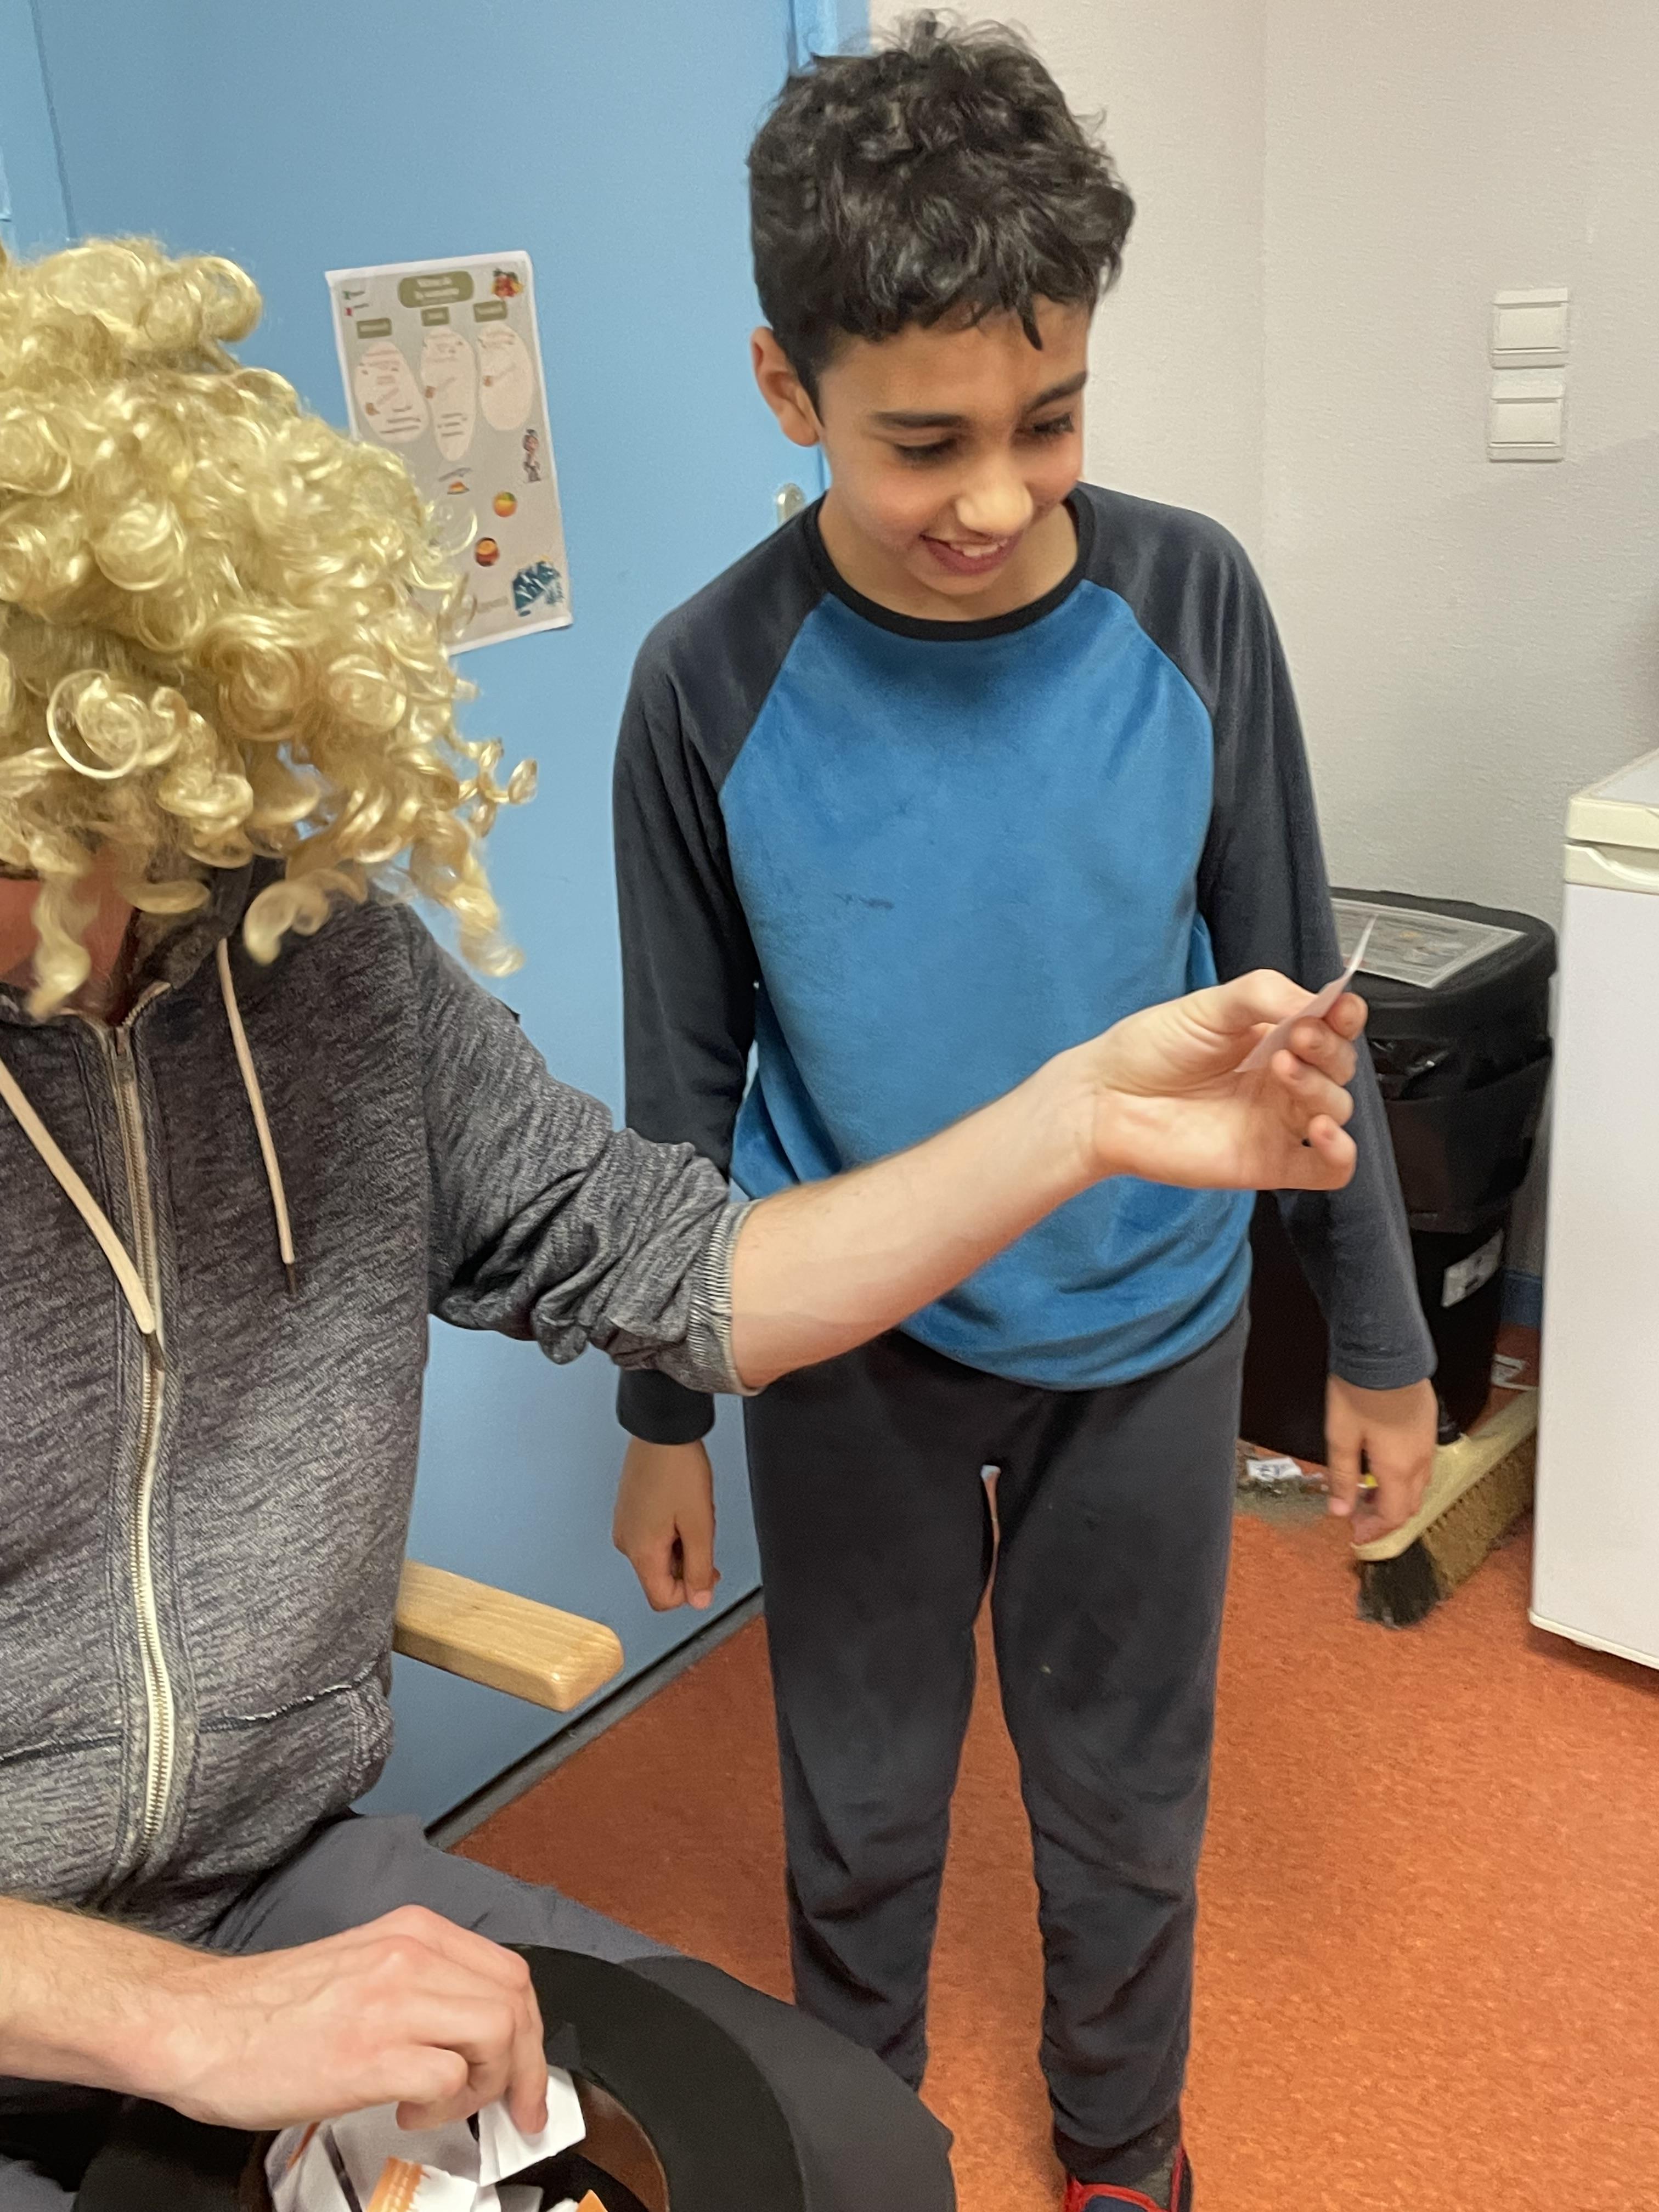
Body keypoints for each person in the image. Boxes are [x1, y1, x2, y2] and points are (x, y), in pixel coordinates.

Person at [0, 234, 1361, 2212]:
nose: (82, 915)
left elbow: (682, 1258)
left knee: (858, 2163)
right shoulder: (717, 673)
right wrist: (170, 2022)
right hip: (55, 1967)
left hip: (273, 1881)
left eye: (87, 826)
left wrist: (1081, 1119)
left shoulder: (319, 980)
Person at [608, 19, 1440, 2210]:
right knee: (864, 1806)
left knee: (1124, 1800)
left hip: (1145, 1335)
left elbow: (1302, 1006)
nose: (995, 495)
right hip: (851, 1345)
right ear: (788, 390)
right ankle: (856, 2150)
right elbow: (682, 1076)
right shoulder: (704, 681)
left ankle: (1123, 2152)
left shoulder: (1192, 599)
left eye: (1048, 420)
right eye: (925, 442)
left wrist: (1375, 1341)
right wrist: (664, 1409)